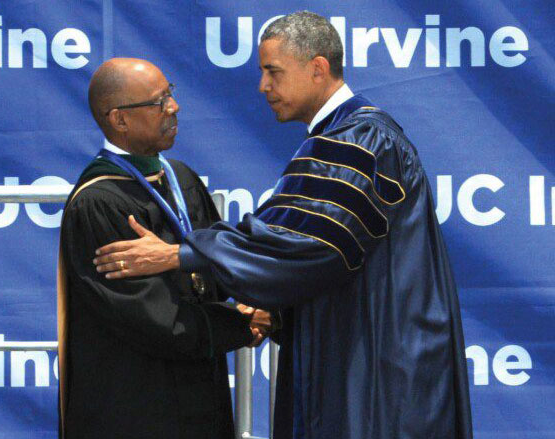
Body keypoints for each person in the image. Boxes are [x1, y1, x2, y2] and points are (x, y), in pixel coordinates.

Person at [93, 12, 473, 439]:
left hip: (381, 368)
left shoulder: (359, 140)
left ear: (317, 68)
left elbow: (307, 247)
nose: (263, 87)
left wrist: (179, 254)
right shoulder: (337, 140)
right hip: (364, 349)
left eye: (273, 72)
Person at [57, 57, 272, 439]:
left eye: (170, 93)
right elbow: (152, 319)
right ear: (119, 119)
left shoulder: (180, 178)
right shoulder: (100, 203)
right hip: (136, 407)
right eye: (158, 102)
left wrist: (261, 297)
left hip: (198, 394)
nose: (174, 107)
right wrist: (242, 325)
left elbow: (215, 269)